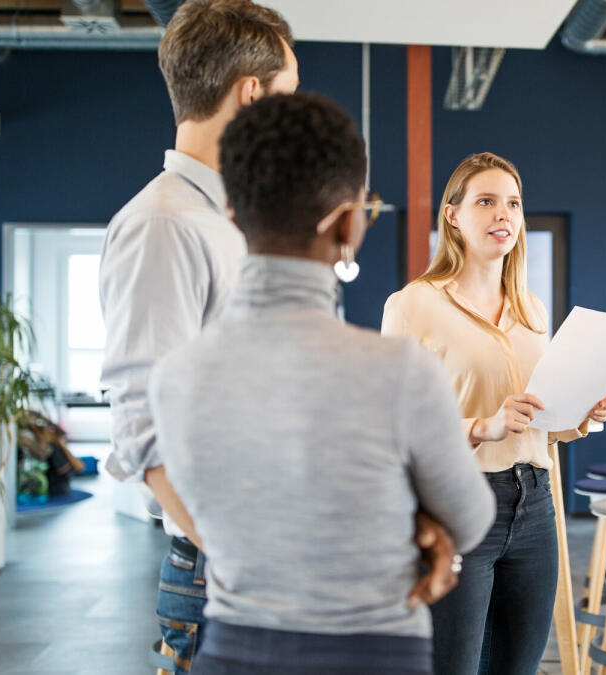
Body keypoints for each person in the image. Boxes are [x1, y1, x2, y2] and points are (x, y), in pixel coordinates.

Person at [98, 3, 454, 671]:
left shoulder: (240, 222)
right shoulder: (163, 224)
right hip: (229, 574)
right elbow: (143, 425)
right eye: (288, 94)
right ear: (252, 93)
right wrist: (248, 559)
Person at [148, 92, 495, 675]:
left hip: (233, 653)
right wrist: (414, 523)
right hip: (377, 654)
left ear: (232, 214)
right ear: (346, 222)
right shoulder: (401, 372)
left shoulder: (174, 378)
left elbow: (228, 515)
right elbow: (470, 519)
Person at [382, 152, 606, 675]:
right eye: (486, 201)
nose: (503, 215)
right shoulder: (413, 305)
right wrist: (481, 427)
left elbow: (541, 422)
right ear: (452, 216)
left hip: (535, 504)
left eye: (512, 203)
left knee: (519, 667)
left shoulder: (532, 310)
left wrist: (584, 412)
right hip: (457, 507)